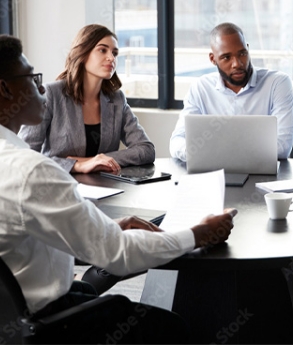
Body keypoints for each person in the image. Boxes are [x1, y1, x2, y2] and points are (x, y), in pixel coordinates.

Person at [0, 34, 236, 343]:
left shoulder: (14, 161)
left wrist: (106, 226)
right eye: (32, 78)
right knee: (173, 328)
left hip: (14, 315)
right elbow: (117, 254)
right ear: (5, 88)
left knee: (89, 289)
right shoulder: (31, 170)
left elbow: (24, 228)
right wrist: (199, 234)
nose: (41, 87)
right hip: (47, 323)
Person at [18, 24, 155, 174]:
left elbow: (146, 149)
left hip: (107, 189)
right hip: (59, 186)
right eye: (102, 50)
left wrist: (97, 160)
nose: (111, 58)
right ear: (83, 54)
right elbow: (25, 156)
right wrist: (76, 165)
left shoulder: (116, 99)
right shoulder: (51, 94)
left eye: (114, 53)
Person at [169, 22, 293, 161]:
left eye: (242, 53)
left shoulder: (277, 83)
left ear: (247, 49)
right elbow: (177, 141)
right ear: (213, 59)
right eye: (226, 57)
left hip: (263, 177)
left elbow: (283, 147)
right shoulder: (200, 88)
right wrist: (195, 153)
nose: (237, 63)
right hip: (213, 174)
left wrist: (212, 153)